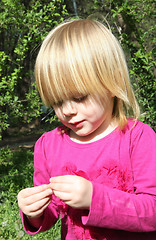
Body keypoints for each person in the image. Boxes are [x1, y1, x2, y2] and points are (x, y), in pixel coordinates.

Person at [17, 19, 156, 240]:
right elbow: (53, 209)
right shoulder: (49, 146)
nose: (68, 110)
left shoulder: (137, 138)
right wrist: (34, 212)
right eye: (57, 101)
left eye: (79, 97)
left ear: (111, 82)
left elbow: (152, 211)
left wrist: (95, 199)